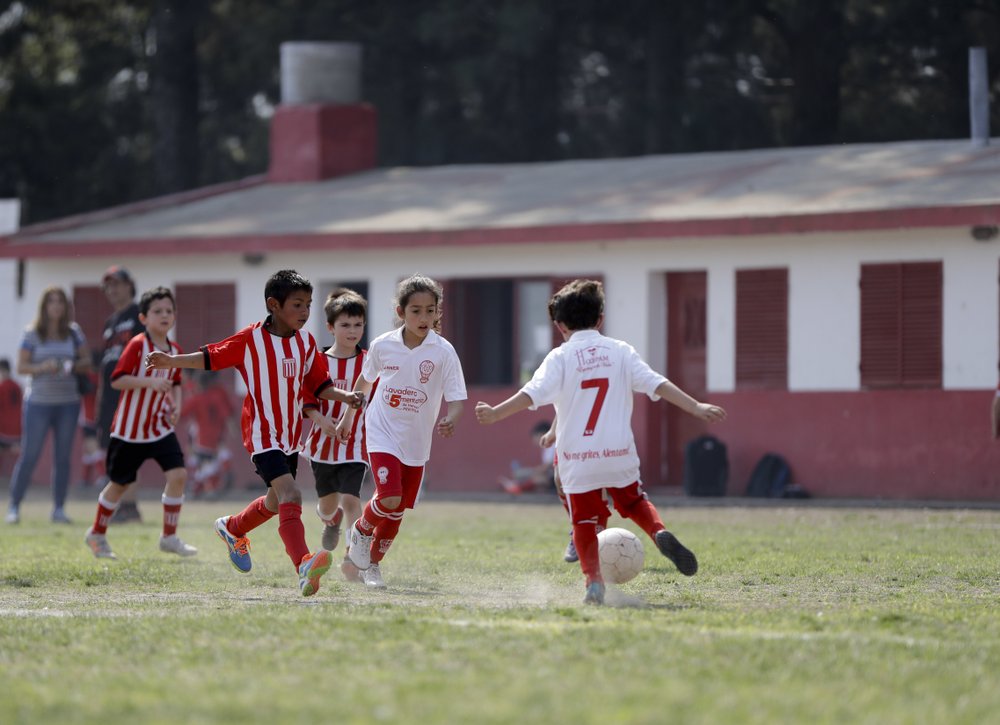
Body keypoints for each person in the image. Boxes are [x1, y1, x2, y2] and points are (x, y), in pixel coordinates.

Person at [475, 279, 727, 605]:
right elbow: (657, 384)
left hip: (578, 459)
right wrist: (697, 407)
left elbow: (532, 394)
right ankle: (657, 532)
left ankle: (593, 582)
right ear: (600, 319)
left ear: (560, 325)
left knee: (583, 521)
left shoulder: (560, 357)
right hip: (618, 453)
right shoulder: (621, 351)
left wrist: (495, 413)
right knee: (635, 502)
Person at [145, 269, 364, 597]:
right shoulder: (250, 340)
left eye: (308, 305)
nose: (305, 312)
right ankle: (304, 564)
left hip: (290, 435)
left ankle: (232, 528)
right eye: (298, 305)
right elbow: (210, 357)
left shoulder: (306, 343)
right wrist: (170, 359)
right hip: (262, 435)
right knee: (292, 496)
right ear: (274, 305)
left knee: (277, 502)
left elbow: (319, 385)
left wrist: (345, 397)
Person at [338, 274, 466, 590]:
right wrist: (347, 419)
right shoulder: (383, 346)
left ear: (438, 312)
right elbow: (364, 383)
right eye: (416, 311)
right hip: (382, 430)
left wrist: (452, 418)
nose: (424, 318)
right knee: (390, 496)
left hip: (417, 441)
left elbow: (457, 398)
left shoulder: (443, 351)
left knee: (396, 512)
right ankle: (361, 531)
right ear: (401, 312)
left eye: (430, 310)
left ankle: (371, 567)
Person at [84, 286, 198, 559]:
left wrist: (177, 405)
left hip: (159, 428)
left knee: (178, 475)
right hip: (129, 431)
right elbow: (117, 379)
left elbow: (177, 383)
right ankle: (96, 534)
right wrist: (149, 381)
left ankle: (169, 537)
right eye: (157, 311)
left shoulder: (175, 350)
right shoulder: (137, 345)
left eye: (169, 311)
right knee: (119, 485)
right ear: (144, 318)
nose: (164, 315)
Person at [301, 288, 371, 583]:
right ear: (330, 327)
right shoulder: (317, 362)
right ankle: (331, 521)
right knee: (329, 505)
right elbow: (306, 401)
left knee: (352, 501)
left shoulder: (370, 362)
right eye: (345, 325)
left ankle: (352, 556)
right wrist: (320, 420)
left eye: (357, 325)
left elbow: (373, 398)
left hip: (355, 445)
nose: (352, 331)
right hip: (322, 446)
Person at [5, 287, 91, 524]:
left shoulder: (74, 333)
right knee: (29, 454)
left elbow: (87, 362)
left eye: (60, 302)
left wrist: (69, 365)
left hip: (68, 403)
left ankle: (59, 508)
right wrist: (43, 367)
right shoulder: (32, 333)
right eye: (51, 302)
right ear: (43, 306)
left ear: (66, 307)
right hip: (38, 403)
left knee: (62, 457)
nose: (56, 306)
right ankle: (14, 506)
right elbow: (21, 367)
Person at [97, 266, 146, 523]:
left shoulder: (139, 315)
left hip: (130, 392)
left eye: (117, 284)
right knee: (113, 450)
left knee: (128, 449)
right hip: (110, 395)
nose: (113, 290)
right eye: (109, 286)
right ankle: (123, 504)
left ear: (129, 285)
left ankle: (129, 507)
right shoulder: (110, 322)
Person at [181, 370, 237, 498]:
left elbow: (183, 413)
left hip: (201, 436)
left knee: (202, 461)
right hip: (217, 433)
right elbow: (227, 412)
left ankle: (200, 487)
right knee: (210, 460)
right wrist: (232, 427)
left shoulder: (196, 397)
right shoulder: (218, 394)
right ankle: (206, 485)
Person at [0, 358, 24, 477]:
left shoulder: (2, 386)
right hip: (18, 427)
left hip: (4, 427)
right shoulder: (18, 386)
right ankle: (19, 475)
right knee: (18, 452)